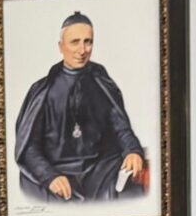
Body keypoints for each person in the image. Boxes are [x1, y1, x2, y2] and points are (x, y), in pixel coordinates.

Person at [13, 11, 149, 203]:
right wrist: (50, 176)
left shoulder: (103, 83)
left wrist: (133, 150)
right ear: (61, 46)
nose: (82, 50)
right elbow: (28, 148)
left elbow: (121, 129)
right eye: (75, 42)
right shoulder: (42, 90)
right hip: (57, 171)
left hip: (99, 170)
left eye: (88, 42)